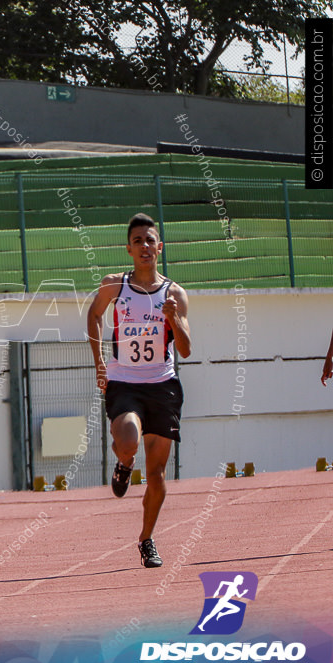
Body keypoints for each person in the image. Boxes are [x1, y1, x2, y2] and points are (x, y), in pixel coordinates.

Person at [87, 213, 191, 569]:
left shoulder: (174, 293)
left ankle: (146, 539)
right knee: (128, 436)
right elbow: (93, 315)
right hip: (124, 381)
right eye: (138, 242)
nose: (145, 247)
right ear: (128, 249)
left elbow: (187, 348)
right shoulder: (114, 286)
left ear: (159, 248)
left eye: (150, 241)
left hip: (163, 384)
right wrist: (100, 362)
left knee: (159, 474)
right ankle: (124, 461)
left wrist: (174, 318)